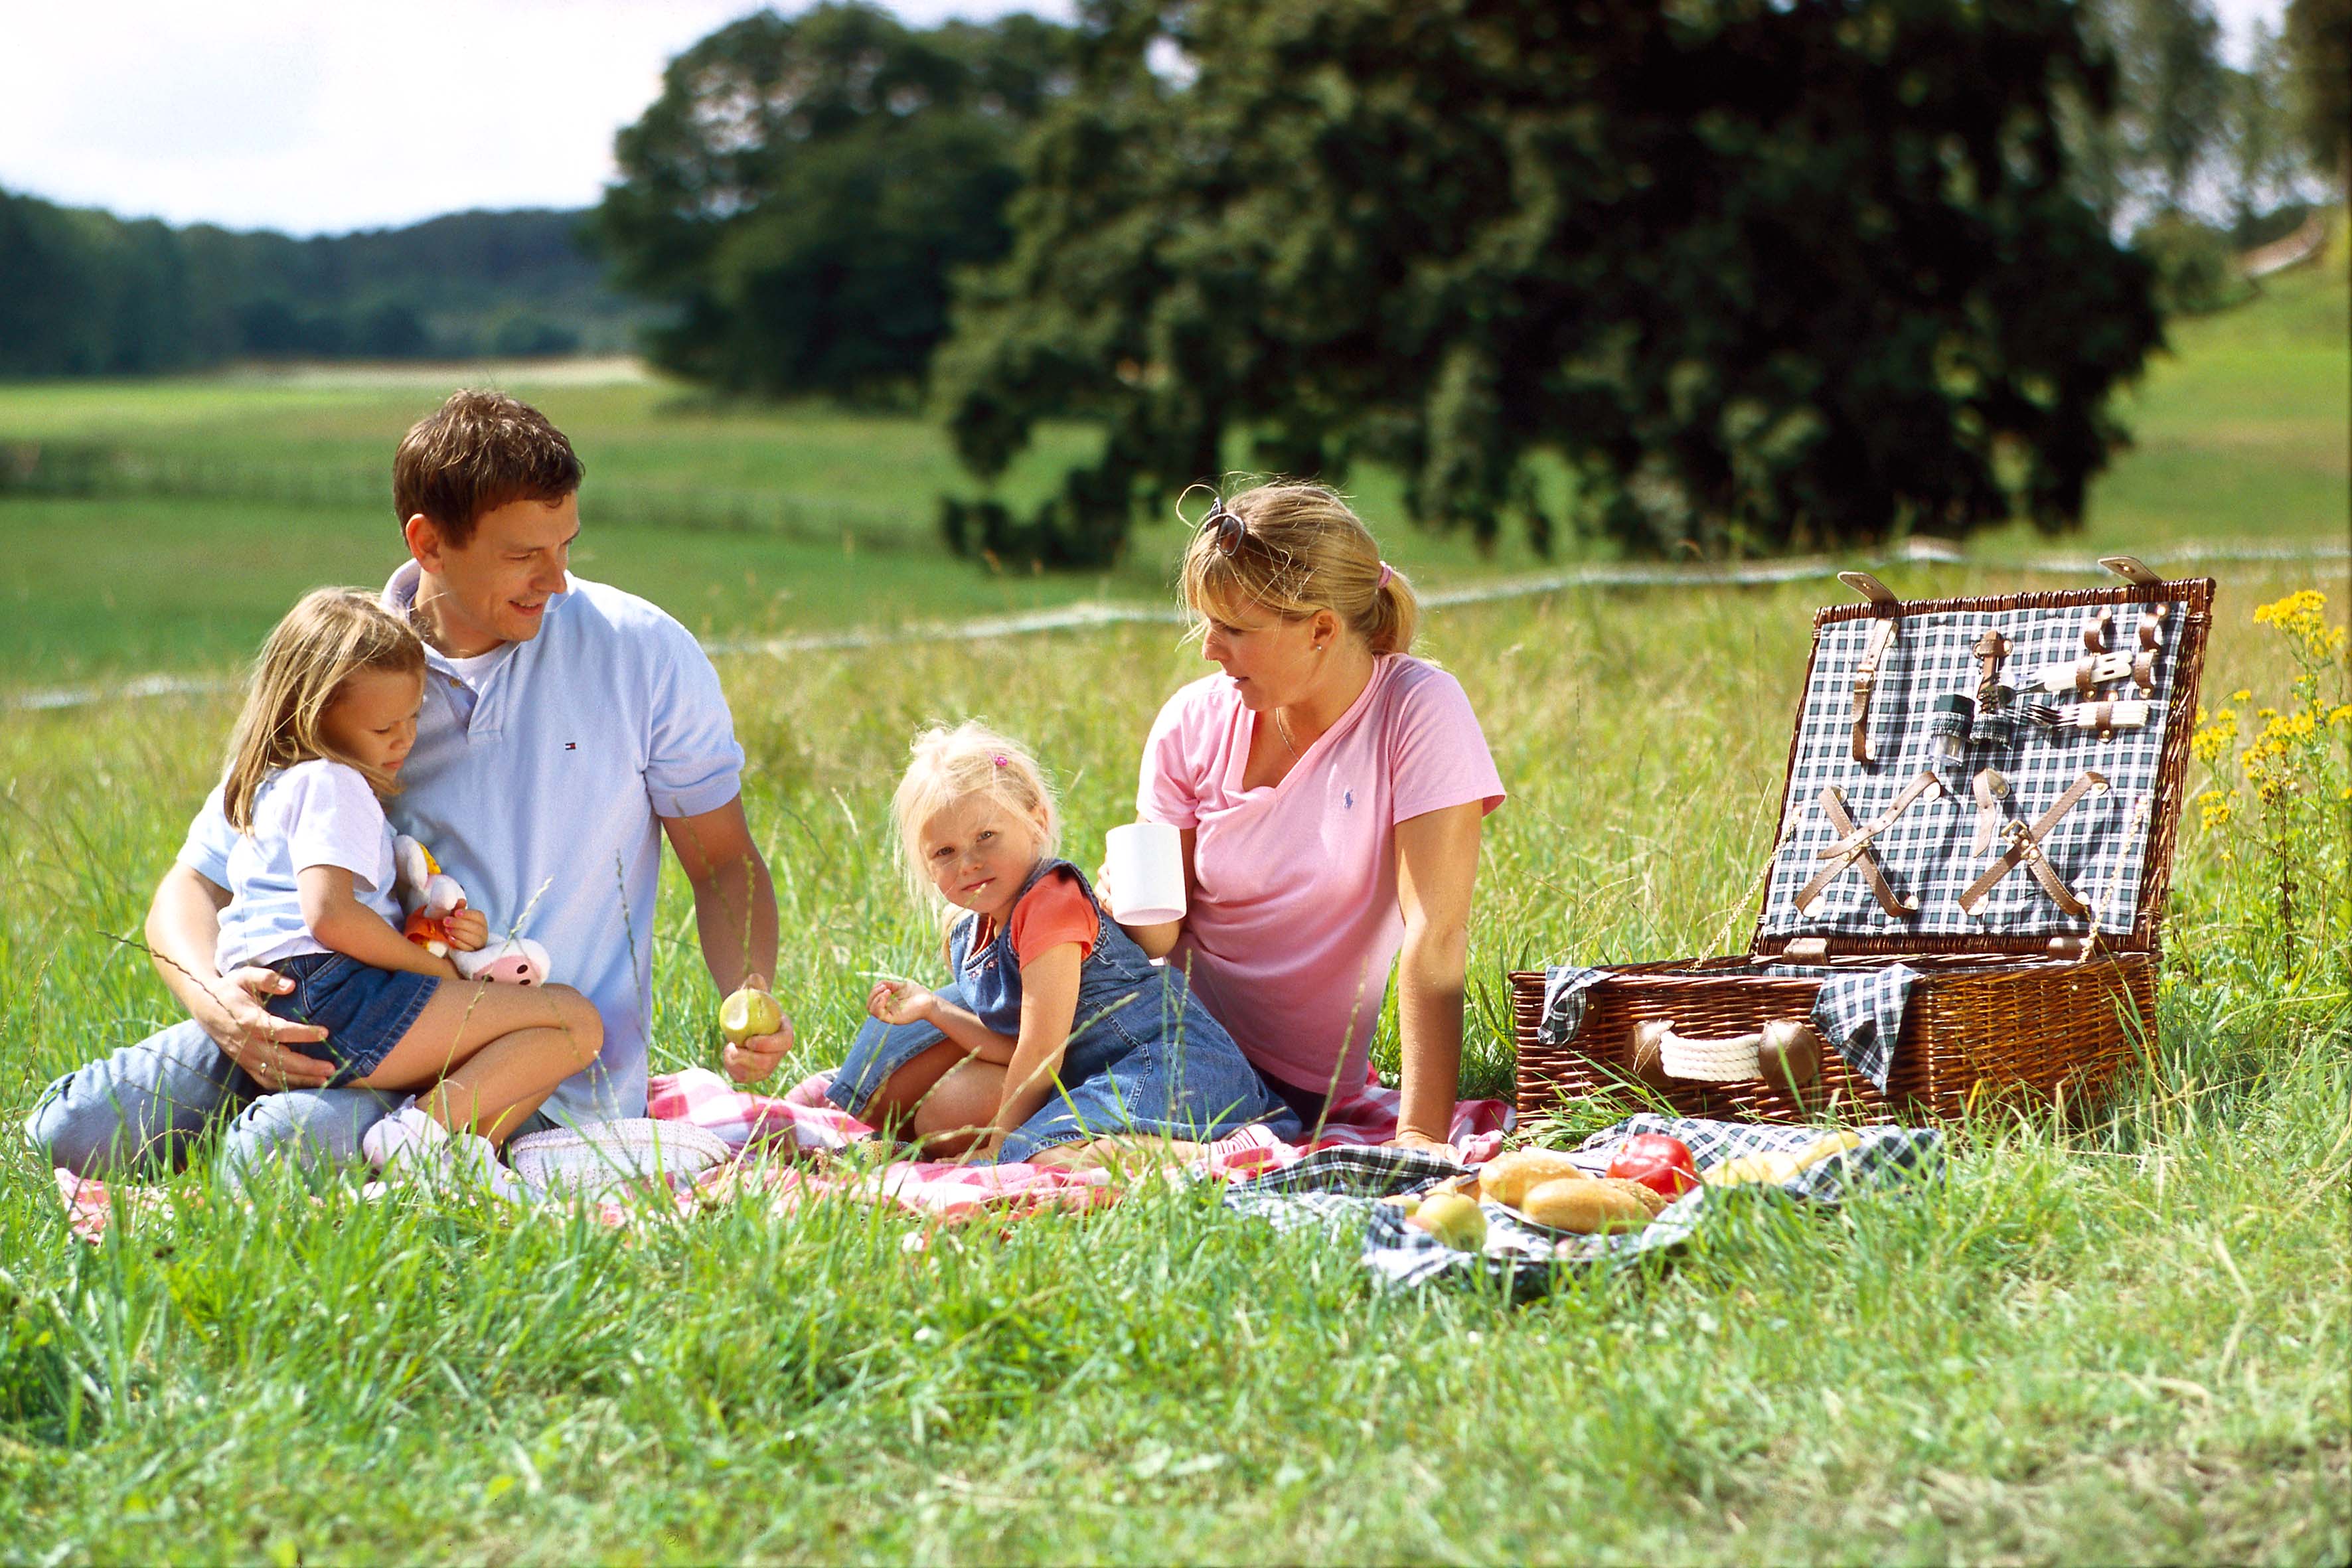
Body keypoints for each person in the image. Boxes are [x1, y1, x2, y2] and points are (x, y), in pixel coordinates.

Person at [28, 390, 787, 1184]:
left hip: (521, 1060)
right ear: (428, 542)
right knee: (70, 1134)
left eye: (566, 544)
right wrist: (219, 1004)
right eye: (524, 555)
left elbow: (722, 861)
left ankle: (398, 1145)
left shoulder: (644, 652)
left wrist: (751, 990)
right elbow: (193, 882)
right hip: (316, 1009)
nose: (557, 581)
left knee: (275, 1156)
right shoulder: (352, 670)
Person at [1112, 481, 1505, 1152]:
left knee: (971, 1104)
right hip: (1165, 1039)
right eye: (1209, 623)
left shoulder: (1417, 710)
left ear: (1322, 628)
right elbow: (1158, 938)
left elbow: (1436, 936)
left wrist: (1418, 1134)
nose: (1209, 649)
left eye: (1234, 629)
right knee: (914, 1048)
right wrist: (1100, 904)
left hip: (1277, 1085)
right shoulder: (1192, 720)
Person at [206, 586, 603, 1188]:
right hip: (331, 993)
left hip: (291, 997)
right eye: (384, 725)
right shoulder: (332, 782)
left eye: (414, 716)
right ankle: (412, 1140)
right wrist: (437, 976)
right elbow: (332, 917)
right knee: (572, 1022)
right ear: (314, 716)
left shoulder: (272, 785)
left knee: (522, 1049)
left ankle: (445, 1160)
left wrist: (441, 934)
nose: (405, 740)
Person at [820, 722, 1299, 1164]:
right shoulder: (969, 931)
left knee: (1038, 1153)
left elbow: (1039, 1052)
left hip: (1170, 1066)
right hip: (1097, 1072)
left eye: (986, 836)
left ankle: (1211, 1153)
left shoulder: (1050, 904)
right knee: (951, 1127)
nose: (967, 863)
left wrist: (998, 1148)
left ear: (1037, 820)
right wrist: (933, 1010)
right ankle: (1110, 1142)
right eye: (944, 852)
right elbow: (1014, 1048)